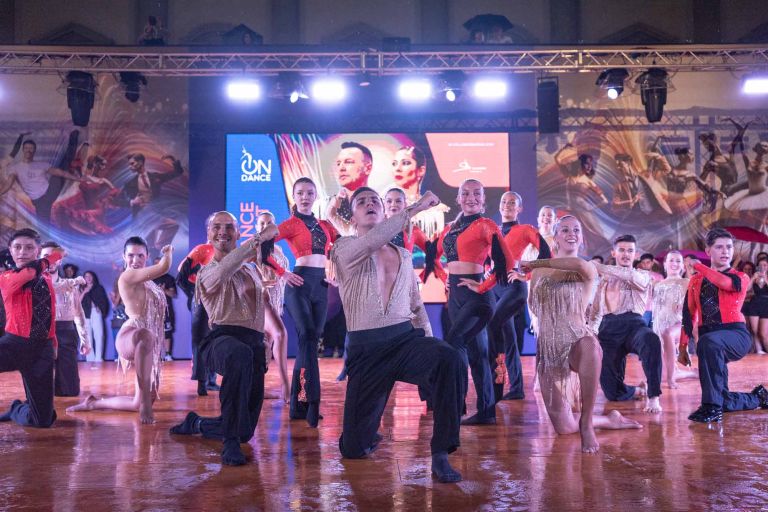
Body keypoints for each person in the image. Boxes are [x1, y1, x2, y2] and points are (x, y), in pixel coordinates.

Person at [332, 188, 464, 483]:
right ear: (352, 217)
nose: (369, 204)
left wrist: (429, 342)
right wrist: (415, 207)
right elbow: (372, 242)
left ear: (383, 212)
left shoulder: (403, 255)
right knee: (353, 449)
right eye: (361, 202)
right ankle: (365, 433)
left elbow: (416, 306)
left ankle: (441, 453)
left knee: (449, 358)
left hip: (404, 341)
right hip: (367, 351)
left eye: (374, 201)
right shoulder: (343, 248)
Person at [524, 215, 641, 453]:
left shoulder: (586, 268)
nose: (571, 234)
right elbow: (533, 306)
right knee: (565, 427)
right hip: (549, 348)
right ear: (555, 237)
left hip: (576, 341)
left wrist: (533, 263)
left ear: (581, 238)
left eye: (576, 230)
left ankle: (587, 423)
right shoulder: (539, 273)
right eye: (565, 230)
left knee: (591, 346)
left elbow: (577, 266)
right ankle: (609, 420)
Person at [170, 211, 277, 466]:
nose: (223, 232)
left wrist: (265, 341)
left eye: (229, 227)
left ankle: (197, 423)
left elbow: (258, 309)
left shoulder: (252, 270)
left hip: (252, 344)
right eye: (216, 227)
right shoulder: (207, 272)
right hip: (220, 339)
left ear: (237, 233)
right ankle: (229, 443)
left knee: (245, 431)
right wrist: (259, 238)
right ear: (208, 235)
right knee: (238, 354)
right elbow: (227, 267)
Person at [431, 179, 517, 425]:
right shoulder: (449, 229)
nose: (471, 198)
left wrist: (482, 286)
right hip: (456, 299)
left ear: (483, 198)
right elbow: (433, 258)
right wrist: (444, 278)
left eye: (477, 193)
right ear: (458, 198)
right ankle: (485, 411)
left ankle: (455, 404)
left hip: (478, 299)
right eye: (465, 193)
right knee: (476, 354)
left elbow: (507, 262)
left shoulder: (486, 225)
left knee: (453, 345)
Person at [67, 238, 172, 424]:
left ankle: (94, 403)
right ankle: (145, 406)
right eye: (130, 255)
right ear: (123, 256)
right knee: (145, 336)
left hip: (149, 341)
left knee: (138, 403)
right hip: (131, 334)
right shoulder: (127, 276)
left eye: (140, 256)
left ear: (147, 256)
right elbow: (164, 267)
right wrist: (168, 252)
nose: (135, 260)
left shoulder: (148, 281)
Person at [680, 228, 768, 422]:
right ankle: (759, 397)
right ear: (708, 250)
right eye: (719, 247)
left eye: (729, 247)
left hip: (735, 336)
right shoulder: (695, 281)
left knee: (707, 342)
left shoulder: (740, 277)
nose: (725, 251)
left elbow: (725, 283)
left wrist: (698, 265)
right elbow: (688, 314)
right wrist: (683, 346)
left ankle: (711, 408)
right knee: (723, 399)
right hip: (710, 339)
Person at [271, 177, 339, 427]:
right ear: (294, 196)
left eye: (310, 192)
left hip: (320, 286)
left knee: (308, 344)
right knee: (308, 337)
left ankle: (298, 404)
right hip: (298, 285)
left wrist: (336, 273)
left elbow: (341, 249)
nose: (305, 197)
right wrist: (283, 273)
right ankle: (312, 401)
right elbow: (262, 245)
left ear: (315, 196)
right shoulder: (290, 224)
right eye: (300, 193)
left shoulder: (325, 225)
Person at [484, 191, 551, 402]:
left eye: (513, 202)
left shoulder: (525, 230)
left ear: (519, 208)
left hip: (513, 288)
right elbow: (487, 259)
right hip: (494, 287)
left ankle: (496, 384)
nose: (507, 204)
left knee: (493, 325)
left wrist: (526, 274)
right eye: (504, 201)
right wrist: (487, 272)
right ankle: (516, 387)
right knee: (509, 339)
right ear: (499, 206)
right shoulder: (493, 231)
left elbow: (547, 255)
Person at [590, 234, 663, 413]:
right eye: (621, 250)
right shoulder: (603, 281)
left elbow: (627, 275)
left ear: (636, 255)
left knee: (651, 340)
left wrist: (598, 266)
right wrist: (592, 332)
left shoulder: (642, 275)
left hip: (635, 326)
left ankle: (653, 397)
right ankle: (636, 390)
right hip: (608, 330)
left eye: (630, 251)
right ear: (613, 253)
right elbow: (596, 310)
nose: (626, 254)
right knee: (611, 393)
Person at [0, 228, 61, 428]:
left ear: (37, 250)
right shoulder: (7, 278)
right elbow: (28, 273)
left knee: (43, 421)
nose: (22, 252)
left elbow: (49, 314)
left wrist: (53, 342)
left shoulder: (47, 279)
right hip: (14, 345)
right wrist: (51, 258)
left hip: (41, 349)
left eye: (28, 248)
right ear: (10, 250)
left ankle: (16, 408)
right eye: (17, 247)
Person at [40, 242, 91, 396]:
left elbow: (79, 313)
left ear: (60, 260)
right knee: (42, 390)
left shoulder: (70, 287)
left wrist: (85, 340)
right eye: (46, 256)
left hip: (66, 333)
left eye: (54, 256)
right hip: (41, 334)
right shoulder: (34, 285)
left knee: (70, 390)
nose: (50, 260)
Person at [0, 137, 87, 222]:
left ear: (34, 150)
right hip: (39, 201)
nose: (28, 150)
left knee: (61, 169)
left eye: (31, 148)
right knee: (43, 222)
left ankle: (74, 136)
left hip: (50, 191)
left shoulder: (41, 165)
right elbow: (9, 183)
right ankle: (74, 139)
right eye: (26, 148)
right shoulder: (15, 168)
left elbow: (60, 172)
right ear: (23, 150)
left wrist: (78, 179)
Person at [254, 211, 291, 403]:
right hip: (261, 300)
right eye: (261, 223)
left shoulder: (278, 249)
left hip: (275, 301)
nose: (265, 226)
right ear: (256, 227)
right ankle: (286, 386)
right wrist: (259, 283)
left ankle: (256, 389)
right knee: (280, 334)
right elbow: (240, 272)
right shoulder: (252, 247)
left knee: (265, 346)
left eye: (269, 223)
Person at [176, 243, 219, 395]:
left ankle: (211, 381)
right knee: (201, 340)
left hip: (218, 301)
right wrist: (194, 292)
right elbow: (181, 273)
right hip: (201, 300)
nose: (221, 233)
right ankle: (202, 383)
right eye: (216, 230)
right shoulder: (203, 249)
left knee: (215, 340)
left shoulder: (228, 251)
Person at [651, 251, 698, 388]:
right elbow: (656, 309)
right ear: (665, 264)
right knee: (660, 375)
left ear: (682, 265)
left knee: (668, 333)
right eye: (671, 260)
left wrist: (684, 306)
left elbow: (694, 304)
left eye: (678, 261)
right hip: (660, 323)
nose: (674, 264)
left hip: (679, 323)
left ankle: (672, 378)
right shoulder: (658, 284)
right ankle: (691, 373)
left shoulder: (686, 282)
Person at [120, 153, 184, 218]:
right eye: (129, 164)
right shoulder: (130, 183)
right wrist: (131, 202)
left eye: (132, 163)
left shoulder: (155, 177)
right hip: (140, 217)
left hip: (156, 213)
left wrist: (172, 159)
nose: (130, 167)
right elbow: (117, 199)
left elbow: (177, 173)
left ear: (140, 162)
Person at [81, 270, 110, 362]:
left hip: (96, 312)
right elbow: (78, 301)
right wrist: (85, 291)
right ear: (84, 278)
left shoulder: (98, 288)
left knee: (99, 335)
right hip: (85, 314)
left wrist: (100, 308)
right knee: (87, 337)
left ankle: (99, 358)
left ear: (93, 277)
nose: (88, 278)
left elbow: (104, 301)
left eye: (90, 276)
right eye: (86, 276)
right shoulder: (81, 288)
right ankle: (90, 358)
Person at [152, 257, 177, 361]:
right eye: (156, 264)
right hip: (153, 311)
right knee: (154, 333)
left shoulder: (169, 278)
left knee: (167, 333)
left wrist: (164, 290)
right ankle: (156, 355)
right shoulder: (150, 279)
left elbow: (173, 294)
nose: (158, 266)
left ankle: (167, 354)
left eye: (159, 264)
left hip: (166, 310)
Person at [746, 259, 768, 354]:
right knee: (754, 330)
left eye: (765, 265)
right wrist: (752, 278)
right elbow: (747, 289)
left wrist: (766, 279)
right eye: (760, 265)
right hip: (754, 304)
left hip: (766, 305)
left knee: (763, 333)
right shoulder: (755, 276)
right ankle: (759, 350)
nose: (762, 267)